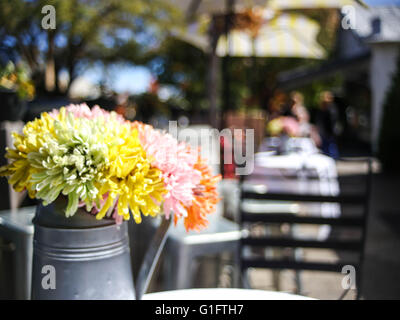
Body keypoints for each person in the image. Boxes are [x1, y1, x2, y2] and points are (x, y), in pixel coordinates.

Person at [315, 91, 339, 159]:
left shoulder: (332, 109)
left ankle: (333, 160)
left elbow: (333, 121)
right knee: (325, 148)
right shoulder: (321, 110)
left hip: (330, 132)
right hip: (324, 132)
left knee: (331, 148)